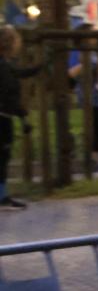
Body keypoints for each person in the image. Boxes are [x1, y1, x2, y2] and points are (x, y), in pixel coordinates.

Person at [0, 25, 42, 211]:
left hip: (4, 117)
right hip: (2, 119)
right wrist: (23, 116)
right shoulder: (3, 67)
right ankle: (2, 198)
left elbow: (17, 73)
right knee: (2, 157)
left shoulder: (4, 65)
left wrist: (37, 68)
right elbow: (8, 94)